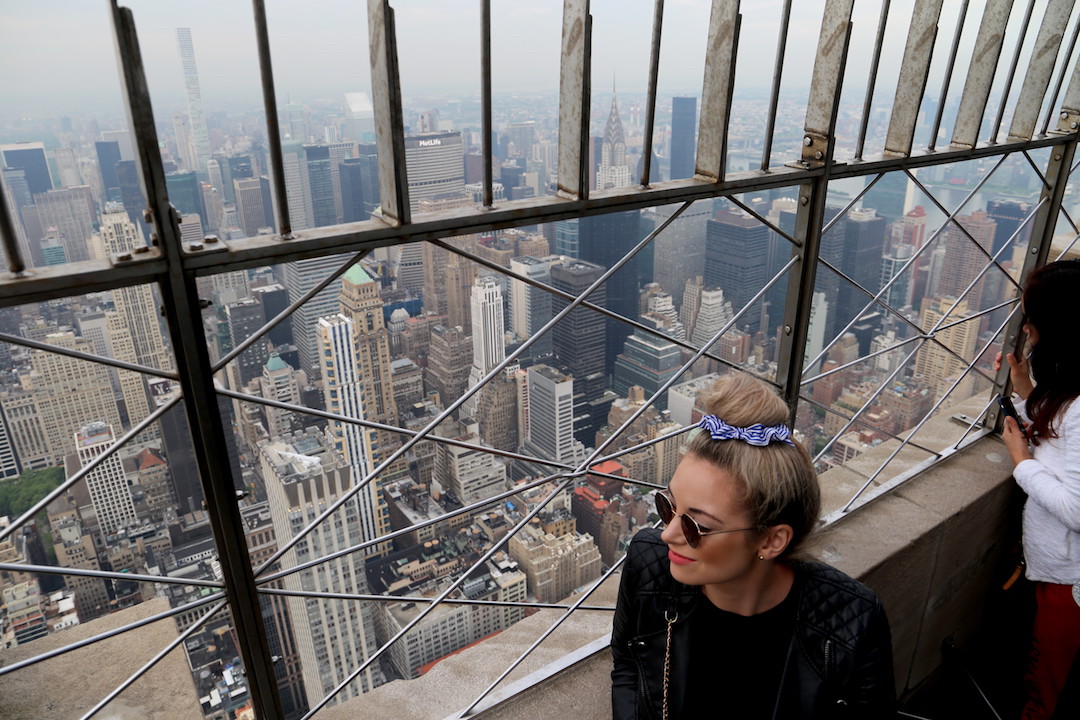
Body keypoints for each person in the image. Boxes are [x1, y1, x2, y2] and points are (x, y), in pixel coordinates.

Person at [611, 373, 895, 720]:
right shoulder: (648, 563)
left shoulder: (853, 622)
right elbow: (627, 663)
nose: (667, 534)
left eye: (697, 526)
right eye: (668, 506)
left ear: (771, 540)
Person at [996, 259, 1080, 720]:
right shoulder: (1074, 391)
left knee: (1047, 693)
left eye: (1032, 316)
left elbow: (1078, 509)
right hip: (1061, 575)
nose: (1026, 326)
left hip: (1071, 586)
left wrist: (1020, 462)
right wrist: (1026, 392)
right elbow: (1066, 446)